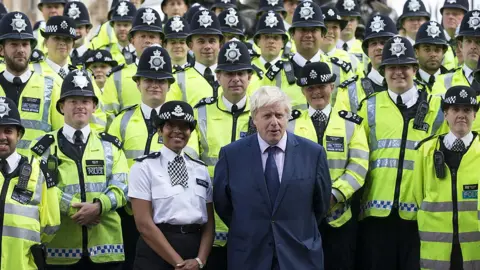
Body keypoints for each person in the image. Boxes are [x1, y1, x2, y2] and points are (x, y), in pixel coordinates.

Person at [213, 86, 332, 270]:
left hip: (299, 256)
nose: (274, 122)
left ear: (287, 117)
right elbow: (223, 205)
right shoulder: (231, 155)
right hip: (250, 257)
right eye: (267, 116)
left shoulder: (313, 154)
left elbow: (320, 205)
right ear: (254, 119)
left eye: (279, 115)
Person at [356, 36, 444, 270]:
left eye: (404, 66)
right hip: (376, 216)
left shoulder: (437, 108)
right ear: (383, 71)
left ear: (415, 69)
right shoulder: (369, 106)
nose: (398, 73)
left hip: (418, 216)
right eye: (392, 67)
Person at [30, 70, 128, 270]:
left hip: (106, 249)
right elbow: (37, 185)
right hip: (61, 248)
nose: (80, 106)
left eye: (85, 100)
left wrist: (98, 207)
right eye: (73, 100)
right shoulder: (43, 146)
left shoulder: (111, 145)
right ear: (61, 106)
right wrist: (76, 208)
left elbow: (122, 186)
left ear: (93, 106)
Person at [287, 62, 369, 270]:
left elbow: (359, 165)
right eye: (310, 88)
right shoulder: (290, 125)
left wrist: (334, 194)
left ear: (332, 87)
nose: (316, 92)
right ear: (303, 92)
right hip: (301, 218)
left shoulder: (351, 123)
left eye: (321, 86)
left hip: (339, 218)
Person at [129, 101, 214, 270]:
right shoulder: (144, 167)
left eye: (184, 126)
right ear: (160, 130)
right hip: (156, 253)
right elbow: (143, 223)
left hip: (194, 251)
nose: (177, 131)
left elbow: (209, 223)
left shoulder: (200, 169)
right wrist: (179, 264)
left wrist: (200, 261)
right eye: (170, 126)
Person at [193, 39, 255, 270]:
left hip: (251, 216)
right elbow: (191, 160)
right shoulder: (200, 112)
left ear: (250, 76)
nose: (235, 79)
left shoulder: (262, 113)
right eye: (229, 73)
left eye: (241, 73)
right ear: (217, 77)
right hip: (210, 215)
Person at [413, 86, 480, 270]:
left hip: (475, 250)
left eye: (467, 110)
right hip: (437, 250)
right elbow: (418, 196)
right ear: (445, 114)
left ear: (474, 115)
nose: (461, 115)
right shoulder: (425, 150)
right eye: (455, 109)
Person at [0, 97, 60, 270]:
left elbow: (50, 225)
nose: (2, 137)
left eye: (8, 130)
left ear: (19, 135)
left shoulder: (38, 172)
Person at [0, 12, 63, 156]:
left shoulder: (51, 87)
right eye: (14, 44)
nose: (21, 50)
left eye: (25, 44)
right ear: (1, 49)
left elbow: (61, 136)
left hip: (36, 175)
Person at [35, 16, 107, 133]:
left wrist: (85, 141)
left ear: (73, 44)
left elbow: (98, 116)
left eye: (67, 39)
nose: (62, 43)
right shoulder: (33, 71)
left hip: (78, 146)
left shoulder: (85, 76)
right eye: (57, 38)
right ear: (46, 41)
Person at [102, 7, 164, 122]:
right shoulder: (117, 77)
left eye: (152, 36)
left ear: (161, 41)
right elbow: (109, 117)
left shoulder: (172, 76)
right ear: (132, 40)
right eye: (142, 36)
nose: (147, 41)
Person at [288, 0, 354, 106]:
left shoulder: (342, 70)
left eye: (314, 30)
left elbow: (352, 108)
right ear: (292, 34)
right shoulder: (276, 74)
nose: (308, 35)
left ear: (323, 34)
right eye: (302, 29)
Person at [335, 14, 397, 113]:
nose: (378, 48)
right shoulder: (350, 91)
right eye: (373, 43)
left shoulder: (413, 85)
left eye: (383, 42)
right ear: (367, 51)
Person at [166, 9, 224, 107]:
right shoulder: (176, 79)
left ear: (220, 45)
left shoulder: (232, 76)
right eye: (201, 41)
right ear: (190, 45)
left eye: (212, 41)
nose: (207, 46)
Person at [252, 11, 303, 109]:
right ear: (258, 41)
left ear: (283, 43)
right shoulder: (247, 69)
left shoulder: (294, 68)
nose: (271, 41)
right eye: (266, 37)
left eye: (276, 38)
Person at [432, 10, 480, 95]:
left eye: (478, 42)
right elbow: (435, 108)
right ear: (460, 46)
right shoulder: (444, 80)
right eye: (468, 41)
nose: (473, 46)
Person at [413, 21, 450, 91]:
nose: (433, 54)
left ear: (443, 52)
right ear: (416, 52)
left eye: (437, 50)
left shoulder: (453, 79)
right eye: (427, 50)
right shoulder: (408, 81)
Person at [104, 1, 137, 66]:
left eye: (126, 25)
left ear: (134, 27)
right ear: (113, 26)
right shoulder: (105, 53)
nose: (122, 29)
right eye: (118, 25)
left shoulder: (142, 52)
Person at [64, 1, 93, 67]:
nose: (76, 31)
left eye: (80, 27)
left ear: (87, 30)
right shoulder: (58, 56)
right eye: (72, 27)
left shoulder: (94, 57)